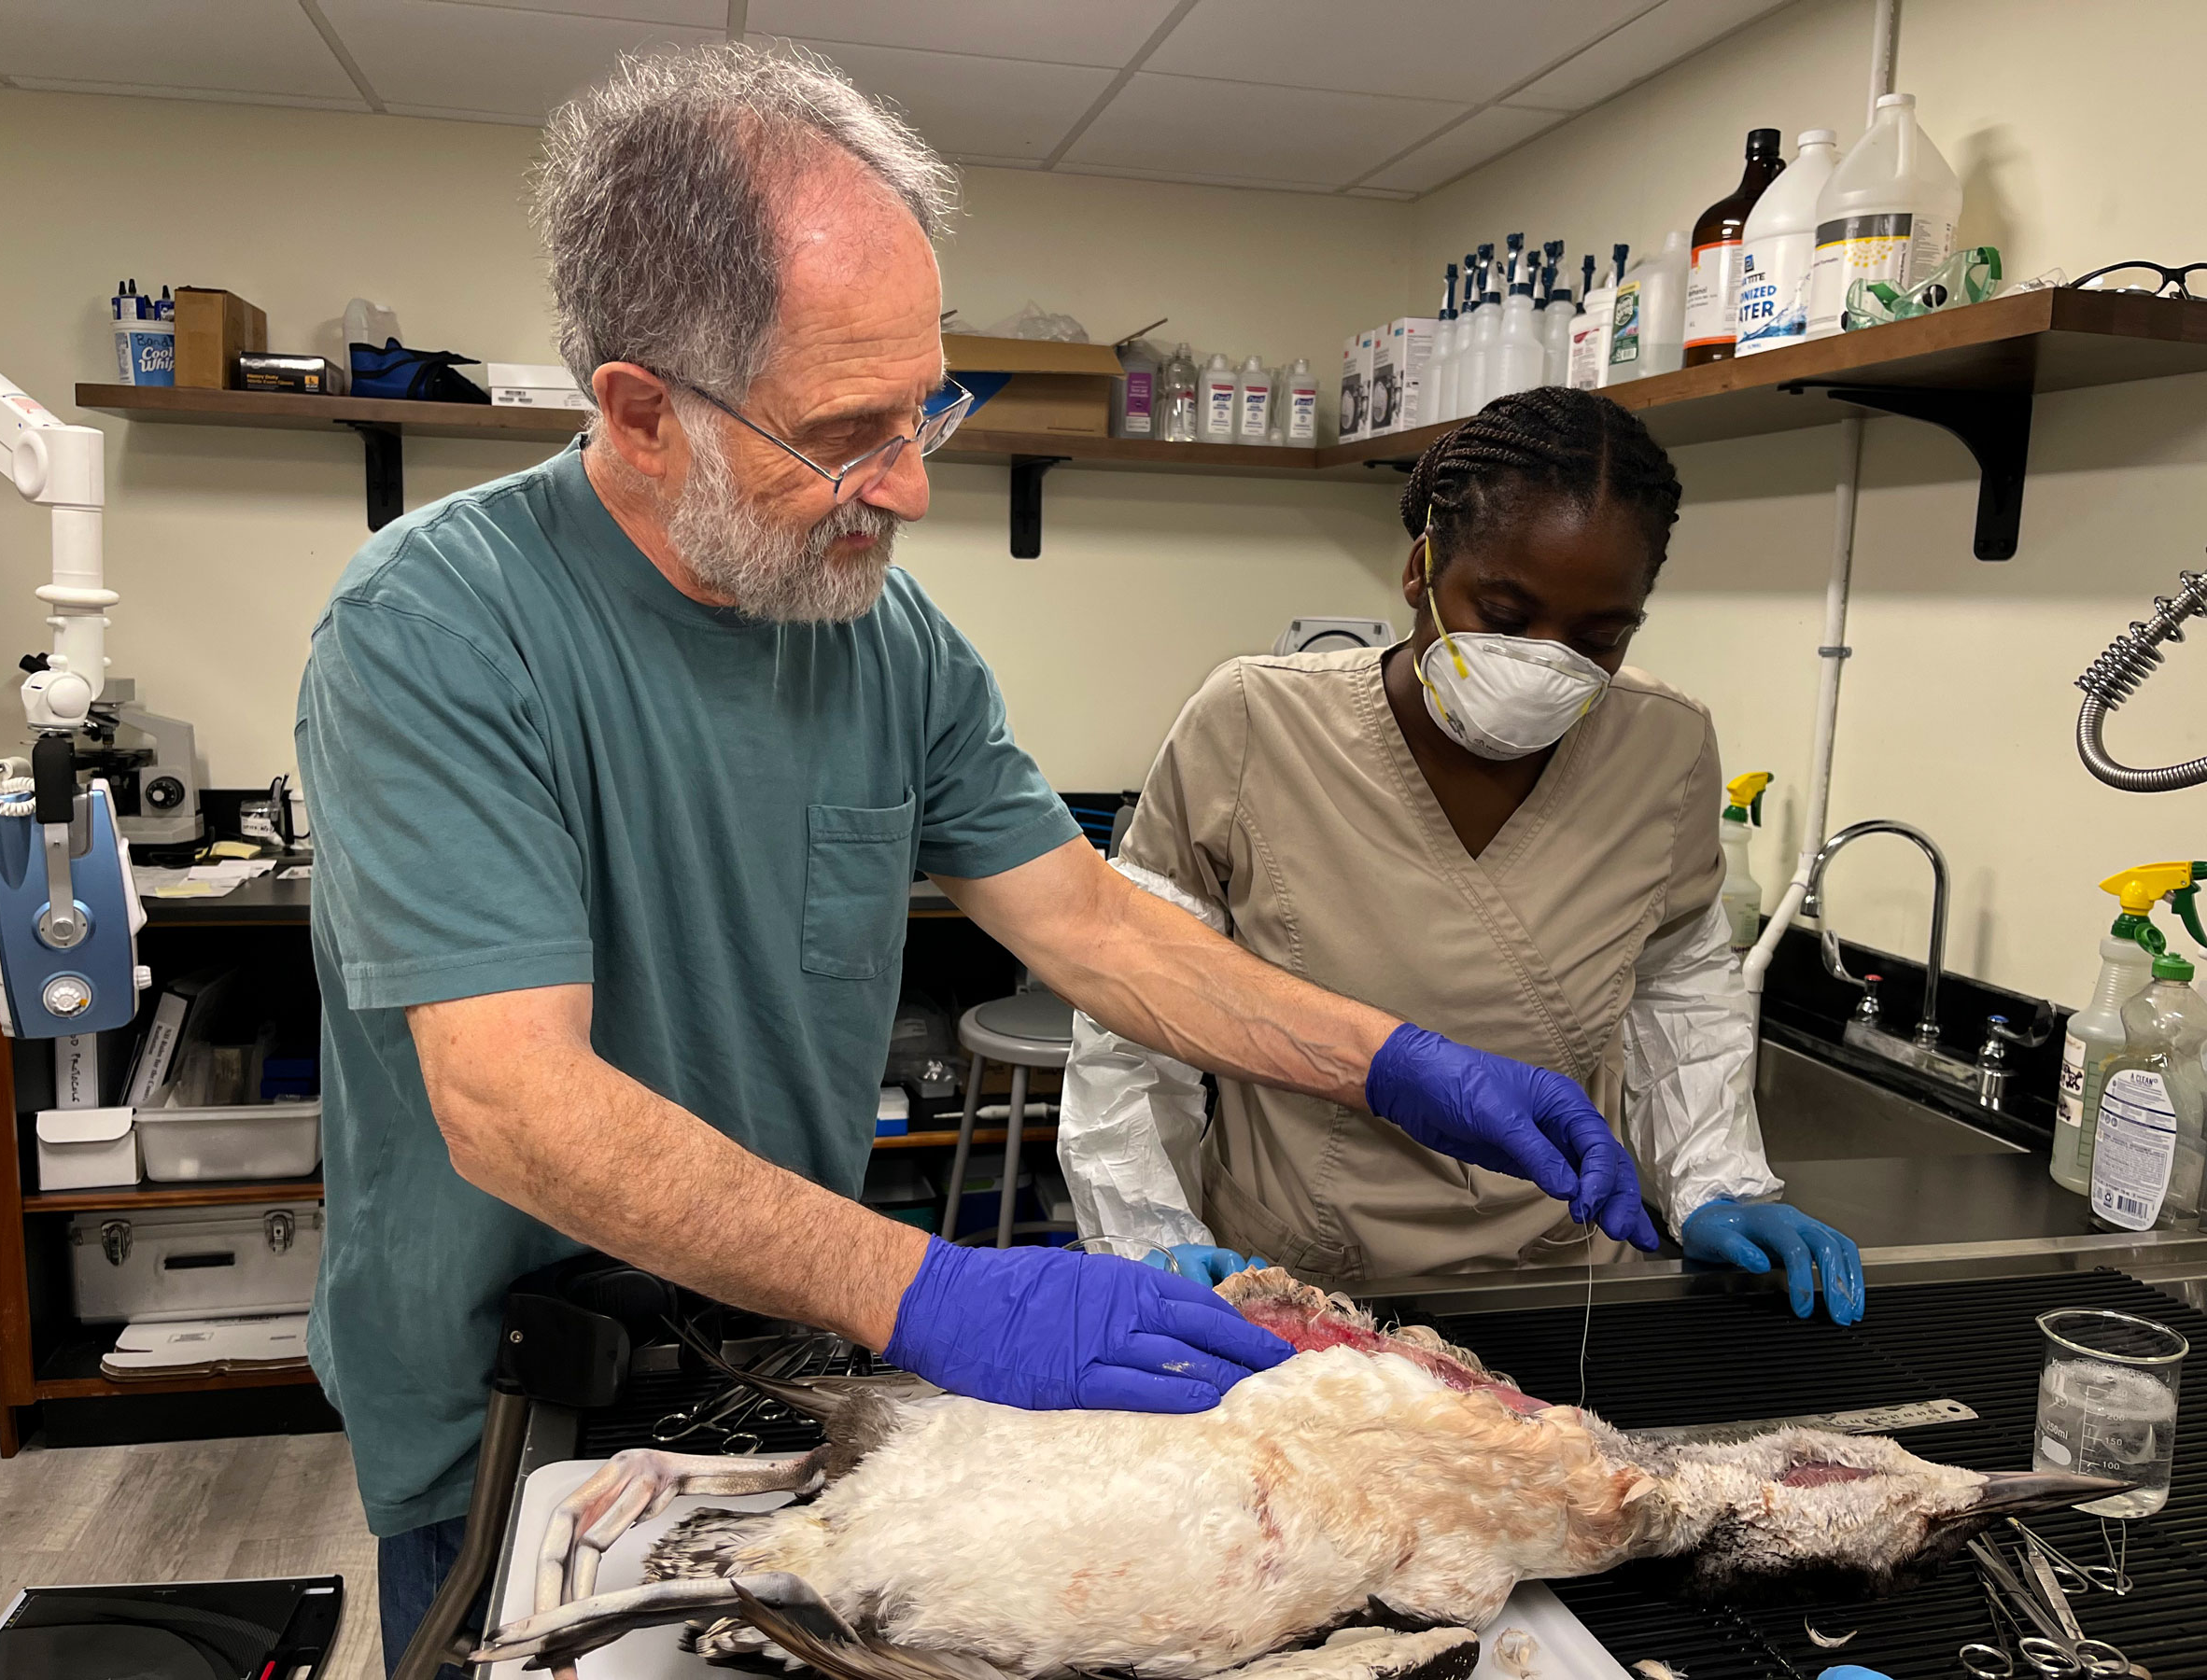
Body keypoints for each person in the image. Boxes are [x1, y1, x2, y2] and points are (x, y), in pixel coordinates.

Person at [293, 49, 1660, 1674]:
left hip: (788, 1346)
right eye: (847, 432)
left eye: (926, 404)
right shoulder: (436, 629)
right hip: (521, 1397)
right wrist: (951, 1292)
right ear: (643, 415)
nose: (916, 485)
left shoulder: (880, 633)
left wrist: (1397, 1063)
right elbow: (517, 1105)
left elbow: (1087, 921)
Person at [1060, 388, 1865, 1319]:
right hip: (1301, 1284)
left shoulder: (1665, 746)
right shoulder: (1255, 722)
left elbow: (1678, 979)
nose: (1546, 661)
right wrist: (1149, 1234)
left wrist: (1717, 1179)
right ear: (1421, 569)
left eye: (1600, 637)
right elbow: (1139, 1005)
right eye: (1506, 612)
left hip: (1560, 1276)